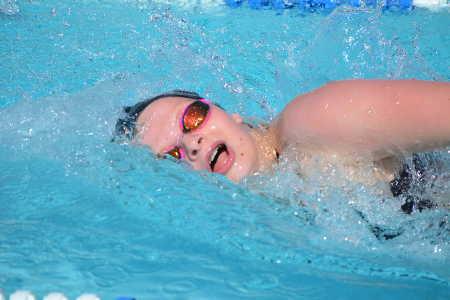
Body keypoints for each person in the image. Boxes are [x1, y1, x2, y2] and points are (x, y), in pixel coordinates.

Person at [115, 79, 450, 213]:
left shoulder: (314, 122)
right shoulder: (270, 203)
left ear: (227, 112)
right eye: (173, 155)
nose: (191, 143)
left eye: (192, 118)